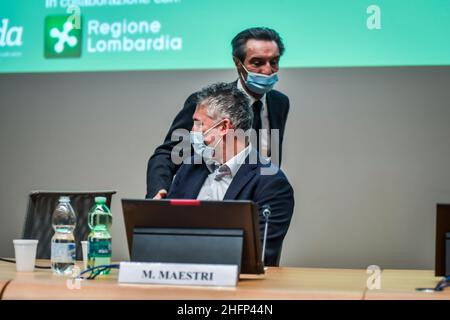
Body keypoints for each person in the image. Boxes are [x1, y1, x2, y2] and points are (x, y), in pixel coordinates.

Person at [146, 27, 290, 200]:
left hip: (263, 199)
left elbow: (269, 154)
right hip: (219, 199)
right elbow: (169, 154)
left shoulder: (279, 103)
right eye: (257, 63)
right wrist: (158, 192)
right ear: (238, 63)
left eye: (273, 62)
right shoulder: (206, 104)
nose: (268, 70)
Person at [166, 83, 294, 266]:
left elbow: (257, 256)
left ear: (224, 126)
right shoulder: (189, 169)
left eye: (198, 124)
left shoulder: (272, 184)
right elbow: (166, 233)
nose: (192, 131)